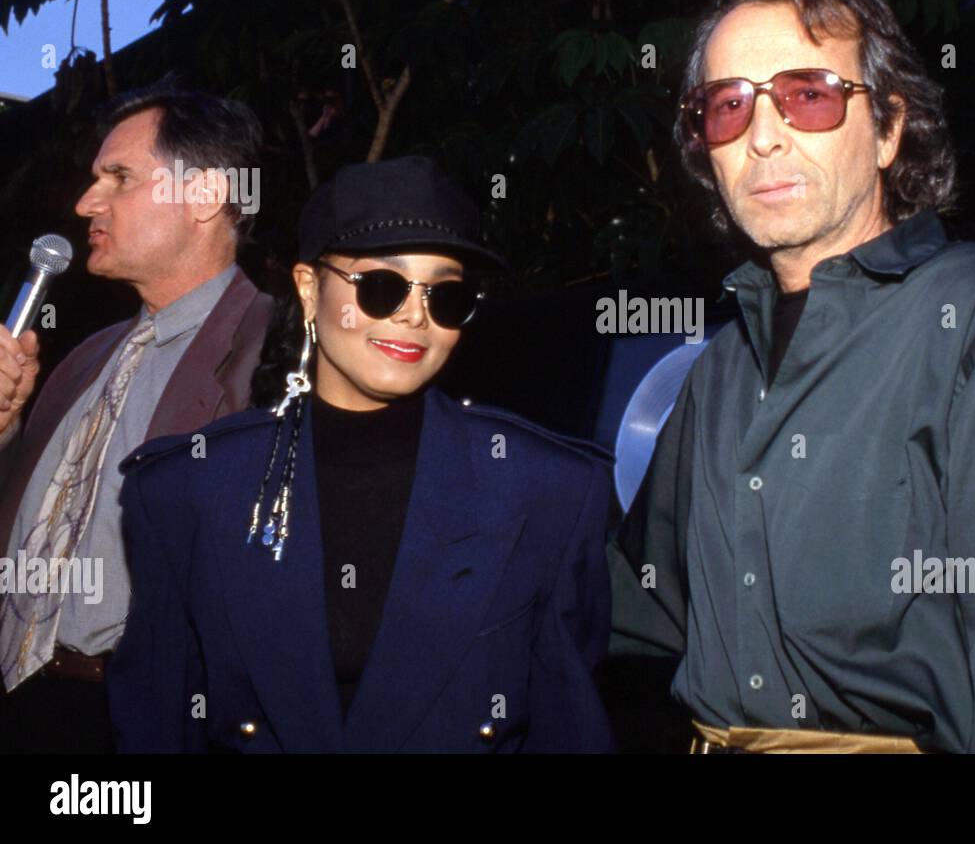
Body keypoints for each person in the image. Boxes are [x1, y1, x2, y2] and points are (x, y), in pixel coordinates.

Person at [607, 0, 975, 753]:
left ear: (888, 129)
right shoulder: (723, 367)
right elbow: (638, 595)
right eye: (729, 104)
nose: (763, 136)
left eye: (808, 95)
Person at [107, 156, 615, 753]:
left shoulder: (547, 489)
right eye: (381, 286)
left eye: (445, 296)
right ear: (308, 290)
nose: (414, 315)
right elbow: (155, 728)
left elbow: (568, 729)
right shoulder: (184, 490)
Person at [0, 80, 272, 753]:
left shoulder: (276, 349)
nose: (85, 202)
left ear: (206, 195)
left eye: (117, 177)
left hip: (137, 724)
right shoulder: (84, 356)